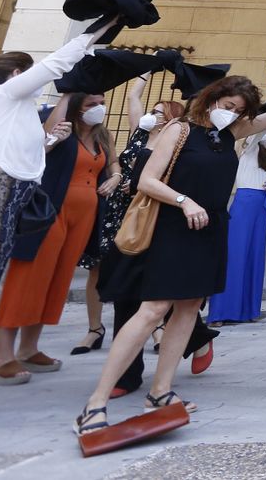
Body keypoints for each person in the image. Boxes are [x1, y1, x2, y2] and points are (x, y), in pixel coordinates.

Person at [75, 76, 266, 435]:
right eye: (228, 105)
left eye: (239, 110)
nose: (231, 113)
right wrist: (184, 201)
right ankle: (95, 402)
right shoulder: (180, 130)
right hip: (174, 226)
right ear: (212, 99)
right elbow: (147, 181)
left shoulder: (231, 134)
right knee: (153, 310)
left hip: (210, 229)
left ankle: (160, 392)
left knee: (189, 308)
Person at [0, 92, 119, 383]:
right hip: (50, 214)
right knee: (27, 279)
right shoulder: (61, 129)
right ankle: (2, 357)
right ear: (75, 106)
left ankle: (29, 348)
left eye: (102, 103)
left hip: (83, 219)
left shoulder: (101, 136)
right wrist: (68, 91)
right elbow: (40, 146)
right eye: (91, 104)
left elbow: (113, 163)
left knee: (55, 281)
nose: (98, 109)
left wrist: (115, 176)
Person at [0, 28, 106, 302]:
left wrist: (51, 142)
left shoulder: (21, 109)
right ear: (18, 74)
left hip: (16, 193)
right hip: (0, 189)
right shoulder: (5, 93)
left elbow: (26, 152)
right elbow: (55, 64)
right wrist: (94, 33)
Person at [77, 86, 185, 356]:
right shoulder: (139, 132)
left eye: (159, 112)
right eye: (153, 111)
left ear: (170, 119)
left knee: (144, 268)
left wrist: (138, 186)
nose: (152, 115)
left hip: (144, 210)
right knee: (98, 266)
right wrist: (147, 70)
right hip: (116, 209)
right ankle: (94, 328)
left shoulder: (173, 144)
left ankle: (157, 327)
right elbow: (133, 96)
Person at [206, 121, 266, 325]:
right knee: (234, 257)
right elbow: (256, 131)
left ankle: (248, 310)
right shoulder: (246, 148)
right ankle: (220, 312)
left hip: (261, 205)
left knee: (255, 256)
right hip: (244, 203)